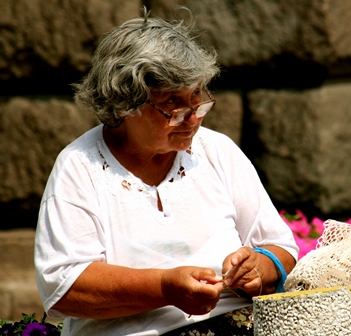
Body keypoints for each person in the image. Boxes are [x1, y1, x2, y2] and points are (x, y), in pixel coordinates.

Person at [34, 7, 298, 336]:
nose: (194, 119)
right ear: (125, 105)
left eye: (198, 99)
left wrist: (259, 268)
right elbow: (65, 287)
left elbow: (281, 248)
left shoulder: (216, 151)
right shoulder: (80, 167)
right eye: (174, 105)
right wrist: (164, 288)